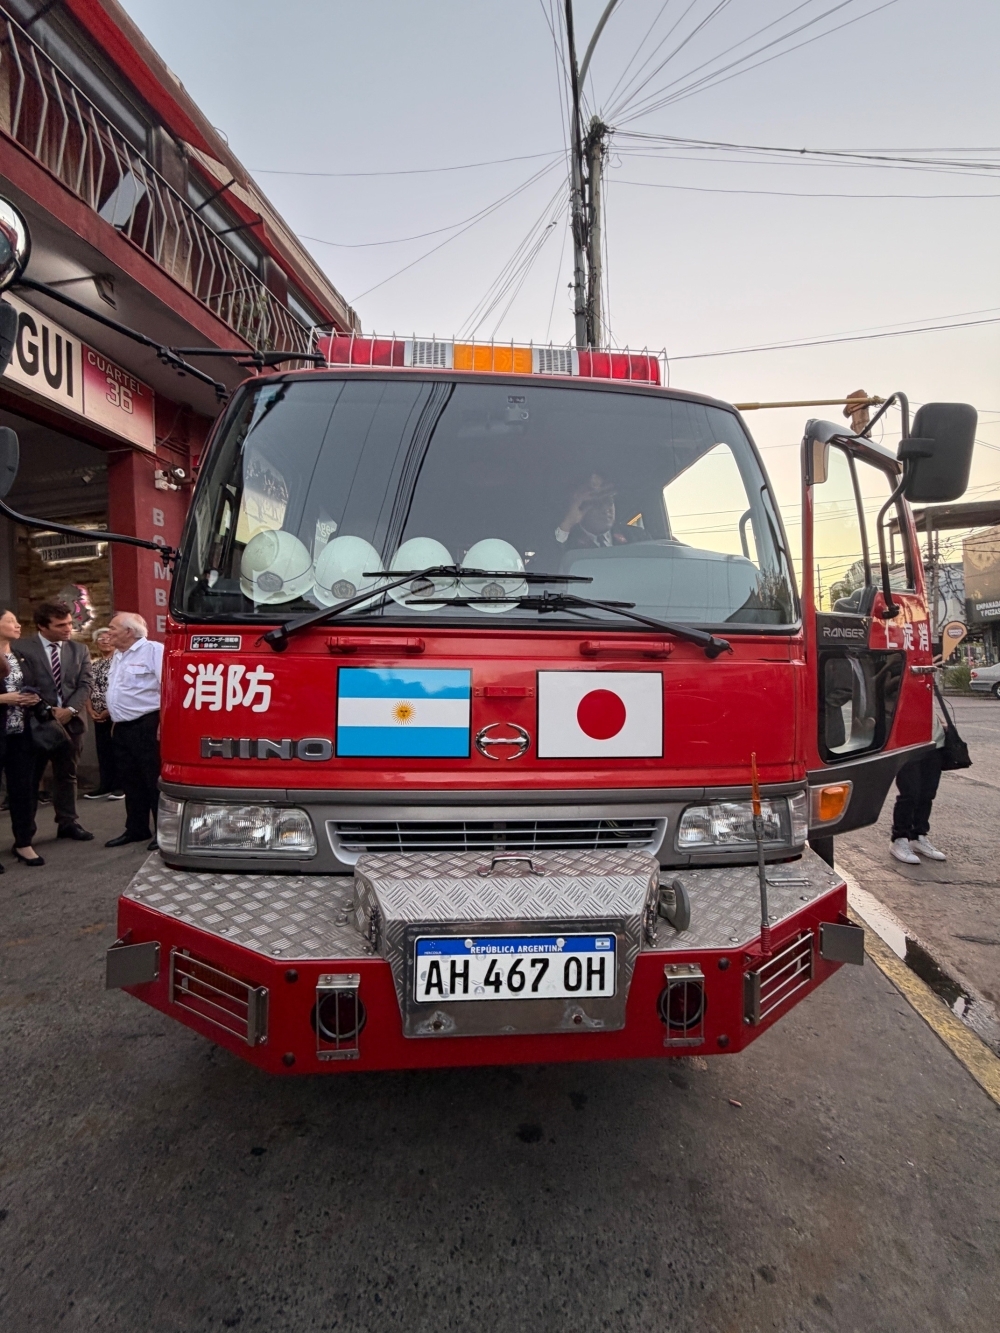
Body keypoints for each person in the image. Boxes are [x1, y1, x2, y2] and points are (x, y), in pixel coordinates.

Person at [13, 601, 93, 842]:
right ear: (42, 626)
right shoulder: (21, 648)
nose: (68, 628)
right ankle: (25, 834)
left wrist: (70, 710)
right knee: (30, 779)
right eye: (61, 625)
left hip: (71, 723)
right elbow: (21, 684)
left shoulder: (79, 650)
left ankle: (68, 822)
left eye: (69, 623)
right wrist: (47, 711)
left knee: (67, 775)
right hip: (35, 723)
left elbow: (85, 684)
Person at [104, 612, 163, 851]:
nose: (108, 632)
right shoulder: (118, 655)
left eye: (112, 628)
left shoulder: (153, 651)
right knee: (131, 781)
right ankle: (136, 828)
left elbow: (168, 687)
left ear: (129, 631)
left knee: (153, 780)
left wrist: (164, 723)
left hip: (147, 724)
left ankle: (163, 832)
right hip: (122, 727)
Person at [0, 609, 44, 867]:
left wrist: (33, 697)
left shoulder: (21, 656)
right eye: (11, 621)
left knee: (23, 790)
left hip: (21, 734)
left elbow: (36, 685)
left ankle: (24, 843)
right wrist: (4, 698)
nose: (18, 625)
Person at [889, 702, 947, 864]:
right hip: (909, 740)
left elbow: (929, 703)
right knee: (910, 793)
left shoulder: (927, 684)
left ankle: (918, 835)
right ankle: (900, 838)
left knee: (927, 793)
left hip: (935, 741)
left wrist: (940, 722)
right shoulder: (900, 684)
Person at [83, 627, 123, 800]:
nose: (105, 641)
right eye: (101, 638)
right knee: (103, 750)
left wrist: (109, 710)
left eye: (108, 638)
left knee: (118, 749)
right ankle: (105, 784)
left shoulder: (120, 662)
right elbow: (87, 688)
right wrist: (90, 709)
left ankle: (120, 786)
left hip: (116, 713)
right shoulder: (94, 665)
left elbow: (122, 688)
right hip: (97, 714)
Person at [554, 472, 636, 550]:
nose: (605, 508)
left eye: (609, 500)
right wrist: (568, 523)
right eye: (596, 502)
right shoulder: (568, 540)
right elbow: (555, 553)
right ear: (580, 505)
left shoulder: (635, 535)